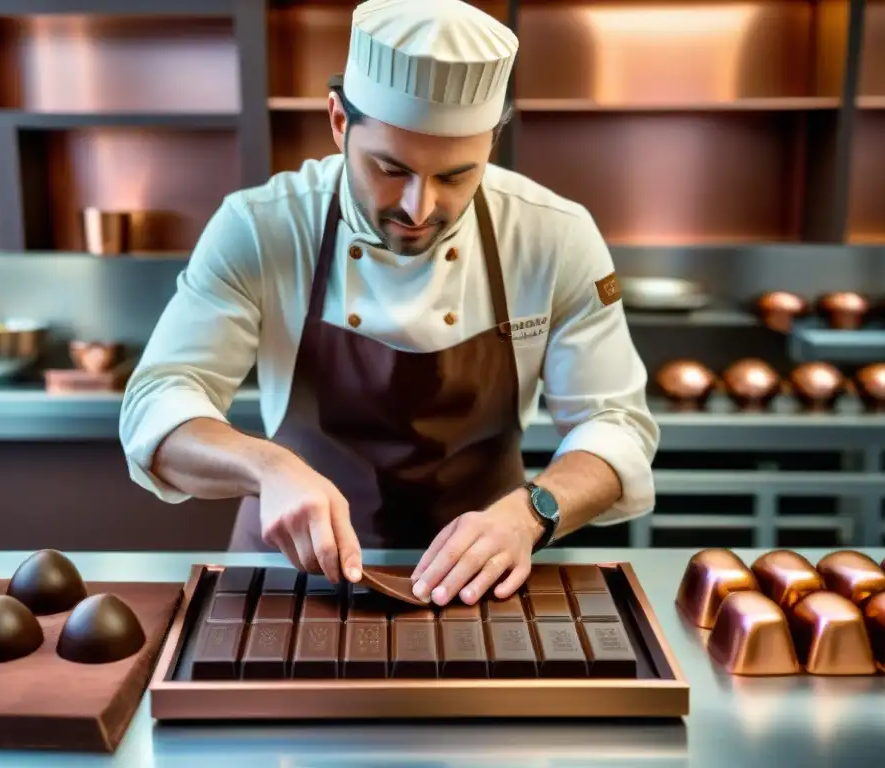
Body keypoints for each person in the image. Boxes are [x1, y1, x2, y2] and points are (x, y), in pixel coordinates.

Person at [118, 0, 659, 607]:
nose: (418, 207)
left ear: (491, 143)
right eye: (389, 168)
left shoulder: (553, 235)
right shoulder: (261, 226)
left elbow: (616, 424)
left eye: (456, 176)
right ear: (338, 122)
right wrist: (266, 467)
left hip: (485, 579)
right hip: (292, 576)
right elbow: (157, 403)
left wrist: (533, 511)